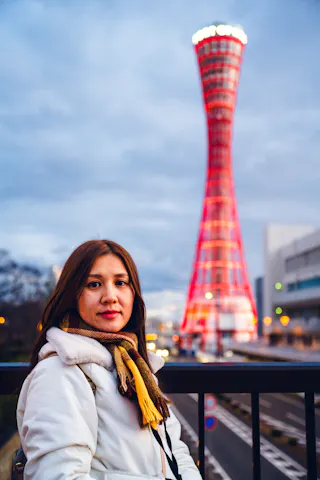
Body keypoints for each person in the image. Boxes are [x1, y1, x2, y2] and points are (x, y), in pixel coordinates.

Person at [16, 239, 202, 480]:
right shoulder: (60, 373)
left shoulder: (135, 370)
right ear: (73, 295)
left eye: (120, 283)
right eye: (94, 284)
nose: (110, 296)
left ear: (133, 293)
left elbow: (174, 453)